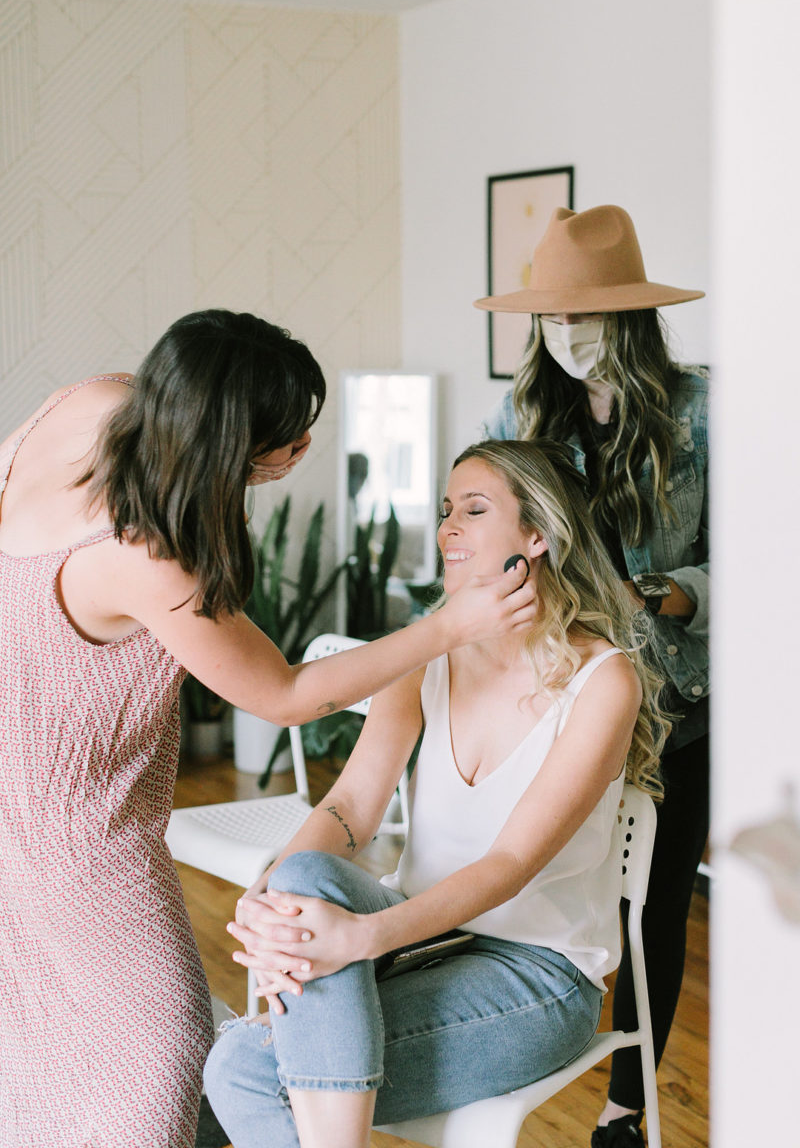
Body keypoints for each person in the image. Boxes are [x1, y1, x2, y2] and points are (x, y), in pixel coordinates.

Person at [0, 309, 536, 1148]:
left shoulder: (98, 404)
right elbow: (284, 695)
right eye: (285, 443)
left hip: (17, 787)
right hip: (78, 834)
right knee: (162, 1056)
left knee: (36, 1054)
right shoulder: (145, 555)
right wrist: (443, 627)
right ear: (228, 444)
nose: (300, 452)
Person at [203, 437, 667, 1148]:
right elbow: (351, 807)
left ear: (538, 535)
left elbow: (510, 864)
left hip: (536, 977)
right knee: (300, 875)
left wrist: (363, 937)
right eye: (447, 509)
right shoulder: (426, 656)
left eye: (473, 510)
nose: (448, 528)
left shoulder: (603, 682)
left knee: (242, 1067)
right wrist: (269, 894)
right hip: (419, 935)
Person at [475, 204, 709, 1148]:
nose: (568, 337)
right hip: (561, 699)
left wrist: (667, 591)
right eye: (552, 318)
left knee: (653, 906)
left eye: (588, 316)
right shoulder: (519, 417)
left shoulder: (703, 410)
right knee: (559, 886)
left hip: (680, 704)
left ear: (632, 313)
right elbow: (484, 548)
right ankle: (524, 1057)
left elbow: (768, 551)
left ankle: (628, 1099)